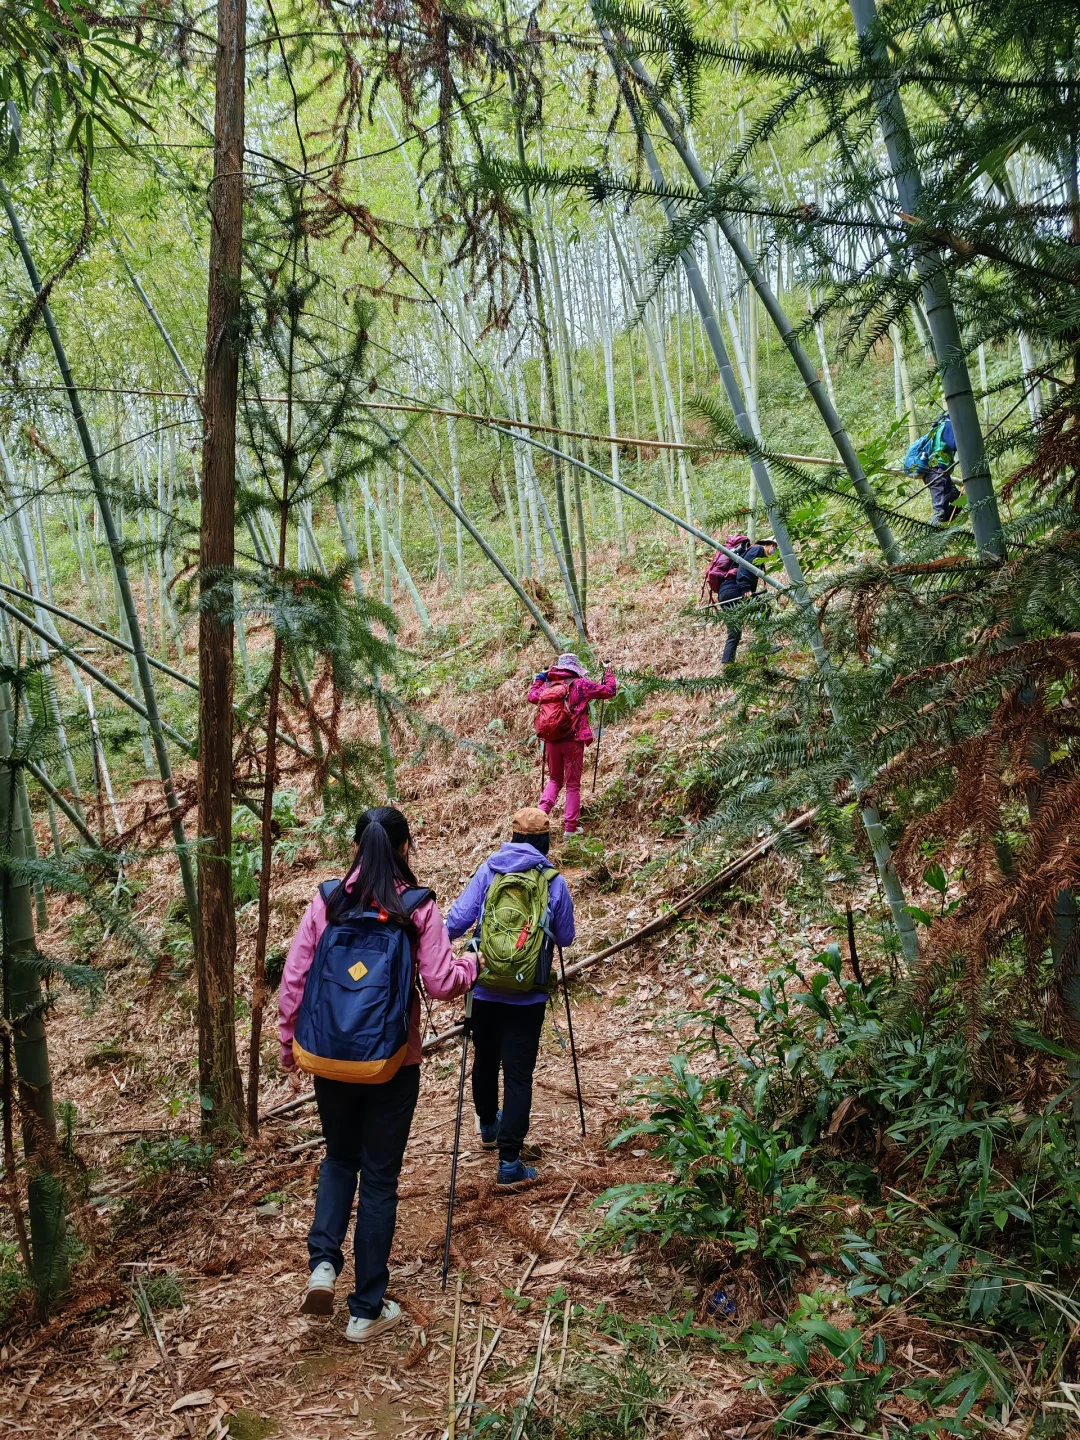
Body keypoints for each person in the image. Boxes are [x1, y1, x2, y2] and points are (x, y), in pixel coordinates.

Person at [278, 806, 476, 1342]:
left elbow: (295, 976)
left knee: (340, 1158)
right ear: (404, 848)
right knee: (381, 1178)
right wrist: (471, 967)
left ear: (356, 848)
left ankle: (323, 1262)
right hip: (392, 1062)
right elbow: (439, 982)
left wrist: (287, 1046)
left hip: (330, 1058)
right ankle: (365, 1310)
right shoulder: (417, 907)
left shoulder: (328, 900)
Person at [446, 807, 575, 1188]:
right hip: (528, 994)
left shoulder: (490, 871)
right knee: (518, 1075)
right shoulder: (553, 881)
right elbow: (565, 937)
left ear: (513, 838)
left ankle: (488, 1127)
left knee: (484, 1060)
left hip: (484, 984)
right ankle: (509, 1163)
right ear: (545, 842)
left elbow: (457, 920)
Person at [529, 652, 617, 835]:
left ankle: (537, 820)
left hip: (552, 741)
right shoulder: (581, 685)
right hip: (573, 741)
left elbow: (532, 696)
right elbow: (609, 691)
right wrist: (608, 670)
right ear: (575, 669)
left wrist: (541, 677)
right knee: (573, 784)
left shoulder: (548, 685)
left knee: (554, 780)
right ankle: (570, 828)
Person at [717, 536, 778, 665]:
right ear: (770, 544)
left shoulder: (748, 551)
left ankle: (728, 664)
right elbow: (744, 568)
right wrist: (745, 588)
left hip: (724, 593)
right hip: (736, 589)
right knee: (764, 608)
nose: (775, 551)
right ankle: (763, 646)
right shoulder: (758, 549)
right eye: (775, 548)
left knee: (735, 630)